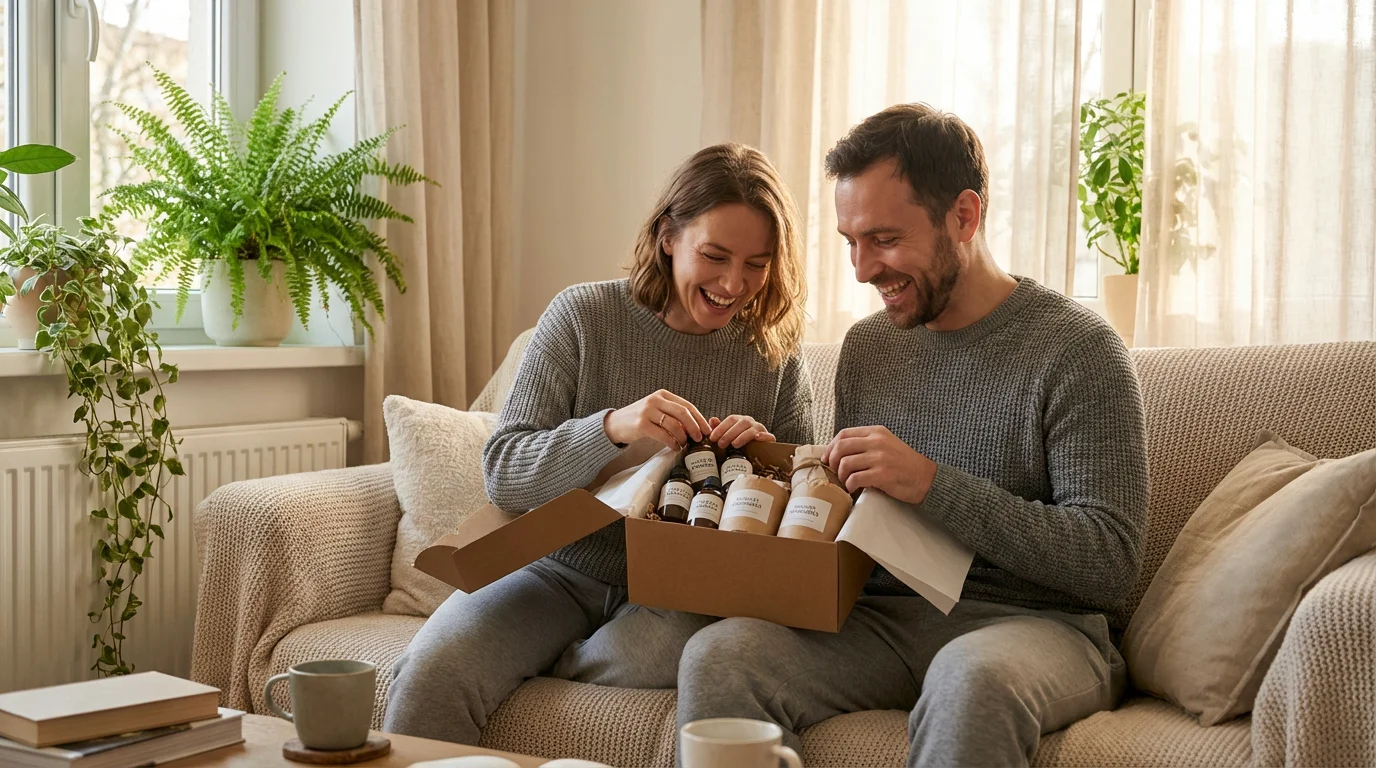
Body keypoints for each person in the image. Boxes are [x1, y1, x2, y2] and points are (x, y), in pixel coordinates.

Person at [676, 104, 1149, 766]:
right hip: (880, 622)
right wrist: (777, 480)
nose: (864, 269)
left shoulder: (1078, 350)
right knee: (723, 655)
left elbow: (1109, 563)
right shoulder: (869, 347)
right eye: (851, 241)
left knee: (971, 678)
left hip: (1038, 630)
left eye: (886, 239)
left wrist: (931, 484)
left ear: (964, 216)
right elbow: (851, 521)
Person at [384, 143, 816, 744]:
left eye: (757, 264)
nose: (732, 284)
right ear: (668, 236)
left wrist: (766, 462)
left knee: (673, 651)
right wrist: (612, 427)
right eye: (714, 256)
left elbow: (808, 516)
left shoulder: (773, 349)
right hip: (555, 569)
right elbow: (504, 470)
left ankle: (554, 664)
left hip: (685, 592)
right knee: (432, 677)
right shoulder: (585, 316)